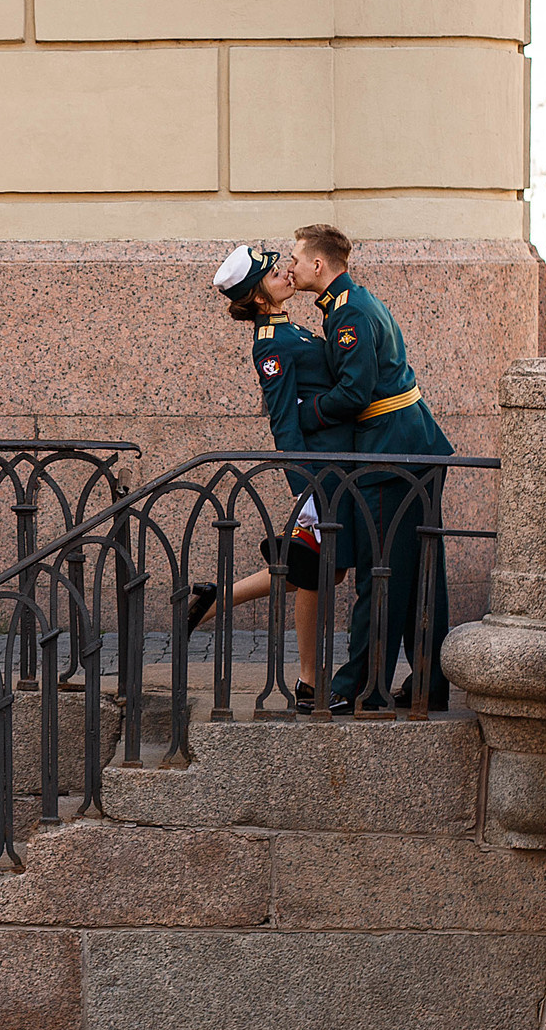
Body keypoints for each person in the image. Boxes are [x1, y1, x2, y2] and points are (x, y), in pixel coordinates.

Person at [281, 223, 454, 710]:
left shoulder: (349, 313)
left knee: (380, 574)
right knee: (420, 574)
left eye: (296, 257)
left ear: (319, 264)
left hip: (389, 456)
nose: (290, 266)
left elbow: (355, 394)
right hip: (411, 446)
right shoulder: (352, 302)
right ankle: (429, 684)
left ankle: (358, 685)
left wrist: (304, 414)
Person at [183, 245, 354, 709]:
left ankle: (214, 599)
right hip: (320, 469)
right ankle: (308, 684)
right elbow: (283, 420)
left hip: (334, 465)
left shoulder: (287, 327)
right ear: (259, 298)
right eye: (272, 273)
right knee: (316, 569)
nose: (283, 273)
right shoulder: (270, 343)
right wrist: (306, 487)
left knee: (327, 569)